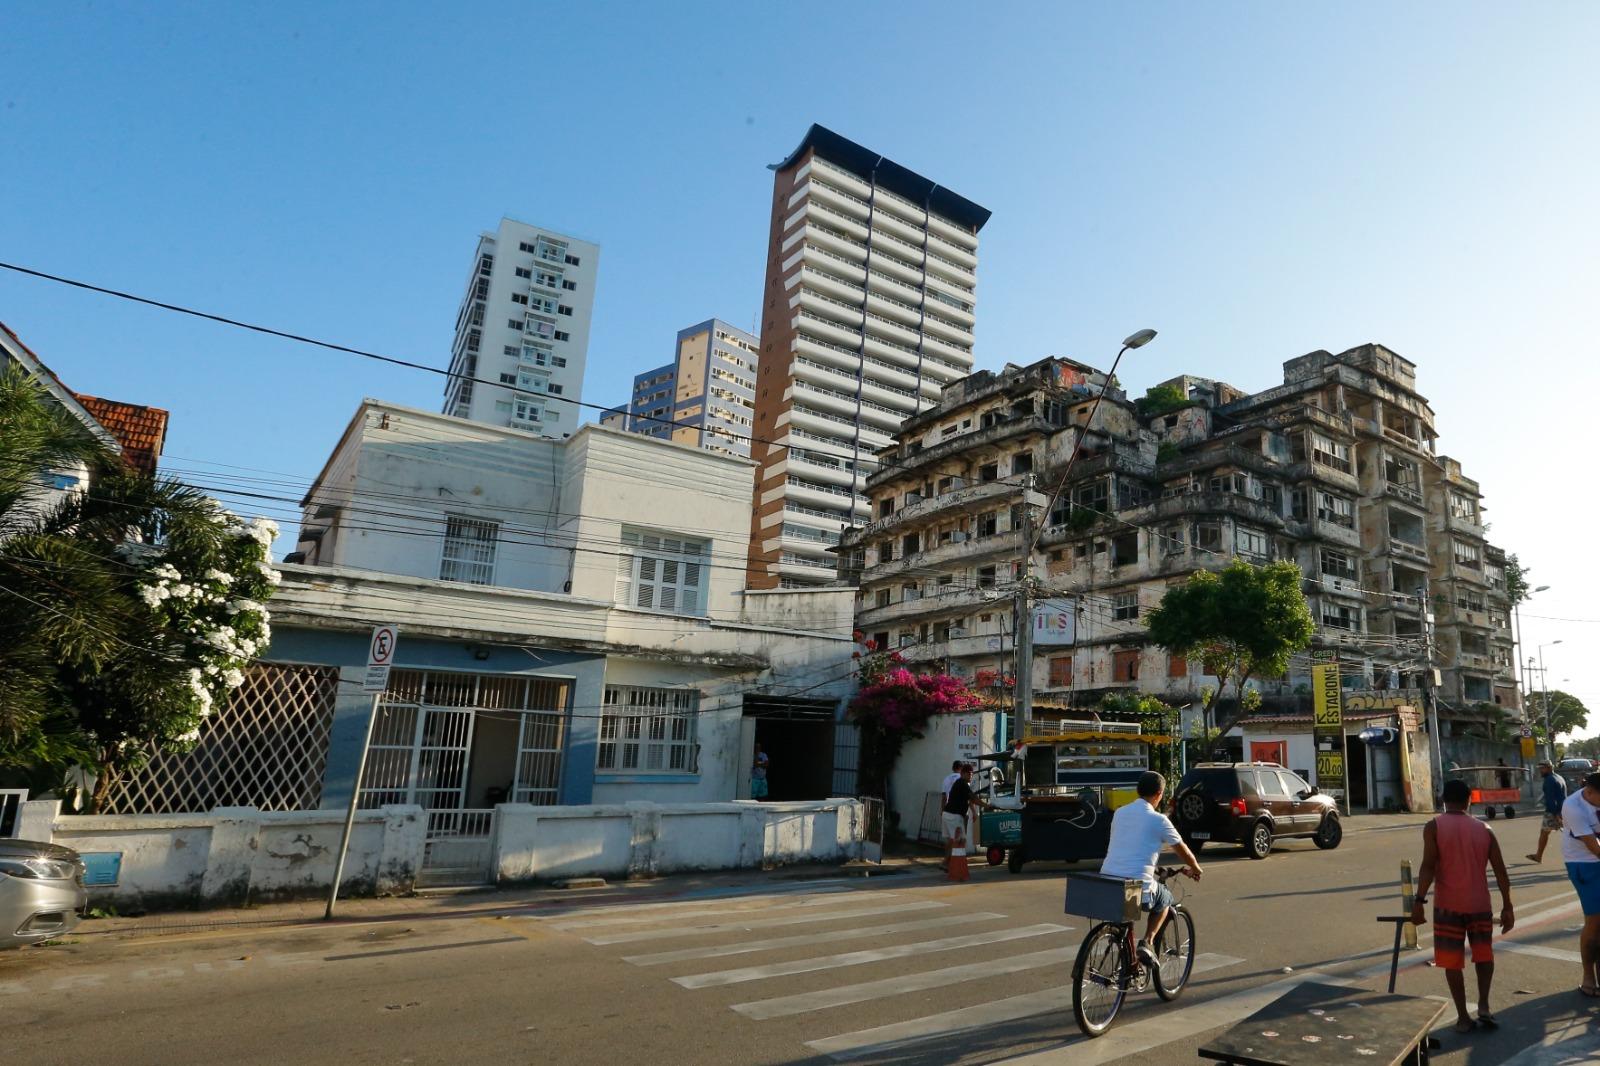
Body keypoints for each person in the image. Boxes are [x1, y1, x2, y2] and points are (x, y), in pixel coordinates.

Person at [1412, 778, 1514, 1033]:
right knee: (1484, 955)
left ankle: (1462, 1017)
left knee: (1452, 961)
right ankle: (1484, 1005)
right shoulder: (1485, 830)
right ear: (1469, 800)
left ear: (1443, 800)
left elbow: (1428, 866)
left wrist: (1419, 901)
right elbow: (1501, 872)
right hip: (1479, 903)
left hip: (1448, 905)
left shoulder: (1433, 827)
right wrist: (1508, 906)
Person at [1099, 771, 1203, 971]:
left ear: (1138, 791)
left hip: (1109, 880)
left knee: (1127, 917)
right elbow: (1184, 851)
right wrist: (1195, 868)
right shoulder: (1159, 820)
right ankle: (1147, 942)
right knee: (1165, 899)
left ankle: (1130, 964)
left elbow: (1131, 848)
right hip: (1137, 886)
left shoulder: (1120, 813)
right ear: (1159, 794)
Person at [1560, 771, 1600, 997]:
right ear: (1590, 792)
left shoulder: (1595, 797)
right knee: (1594, 923)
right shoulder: (1573, 806)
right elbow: (1593, 847)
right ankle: (1588, 977)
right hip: (1583, 863)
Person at [941, 764, 981, 869]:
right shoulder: (962, 782)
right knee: (960, 839)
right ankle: (955, 864)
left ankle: (946, 862)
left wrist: (941, 810)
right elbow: (971, 799)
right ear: (961, 771)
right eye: (969, 773)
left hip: (947, 812)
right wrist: (974, 812)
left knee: (951, 839)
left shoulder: (947, 779)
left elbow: (944, 796)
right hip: (956, 815)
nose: (971, 776)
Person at [1527, 760, 1567, 865]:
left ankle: (1538, 856)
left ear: (1549, 768)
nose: (1540, 771)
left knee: (1545, 833)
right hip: (1563, 809)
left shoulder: (1549, 780)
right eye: (1540, 768)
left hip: (1553, 811)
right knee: (1546, 832)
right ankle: (1538, 855)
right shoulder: (1559, 777)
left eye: (1542, 768)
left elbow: (1551, 799)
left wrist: (1555, 815)